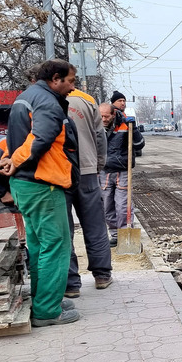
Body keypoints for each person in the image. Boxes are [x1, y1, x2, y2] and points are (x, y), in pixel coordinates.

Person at [0, 59, 80, 328]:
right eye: (70, 81)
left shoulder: (27, 97)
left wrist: (13, 159)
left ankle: (46, 299)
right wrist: (16, 159)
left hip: (25, 185)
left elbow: (20, 138)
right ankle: (47, 311)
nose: (72, 87)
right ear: (55, 78)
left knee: (38, 245)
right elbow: (40, 138)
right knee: (56, 246)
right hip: (43, 184)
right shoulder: (47, 101)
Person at [65, 86, 112, 298]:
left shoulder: (43, 99)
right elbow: (100, 136)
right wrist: (98, 164)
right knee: (94, 224)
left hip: (58, 174)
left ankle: (71, 284)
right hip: (87, 170)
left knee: (63, 230)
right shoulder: (86, 100)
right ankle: (102, 275)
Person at [100, 102, 144, 247]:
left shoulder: (125, 125)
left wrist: (135, 128)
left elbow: (139, 145)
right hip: (104, 171)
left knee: (123, 205)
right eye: (101, 116)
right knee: (107, 206)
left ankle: (126, 237)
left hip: (123, 170)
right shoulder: (95, 125)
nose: (104, 119)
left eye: (106, 116)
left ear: (113, 114)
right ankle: (115, 235)